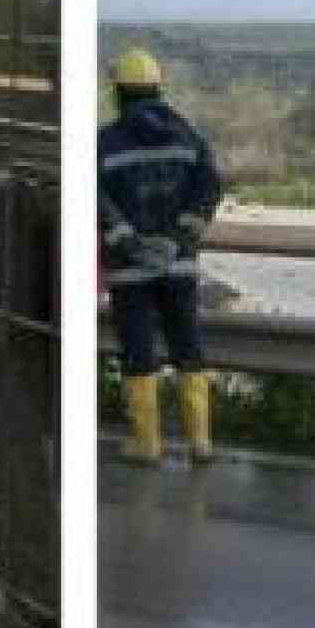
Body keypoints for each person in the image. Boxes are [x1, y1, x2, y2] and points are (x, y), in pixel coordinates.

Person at [99, 47, 222, 463]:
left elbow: (98, 202)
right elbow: (208, 193)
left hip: (130, 269)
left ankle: (146, 444)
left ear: (119, 92)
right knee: (189, 346)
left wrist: (130, 241)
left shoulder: (103, 143)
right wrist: (176, 240)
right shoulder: (190, 136)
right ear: (158, 88)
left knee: (138, 351)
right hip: (180, 264)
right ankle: (200, 441)